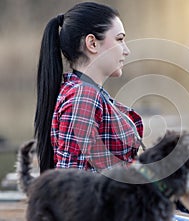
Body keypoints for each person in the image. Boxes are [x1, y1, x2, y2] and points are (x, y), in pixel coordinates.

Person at [34, 2, 144, 173]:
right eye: (120, 39)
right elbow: (71, 184)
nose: (126, 50)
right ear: (92, 43)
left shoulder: (85, 92)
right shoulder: (83, 97)